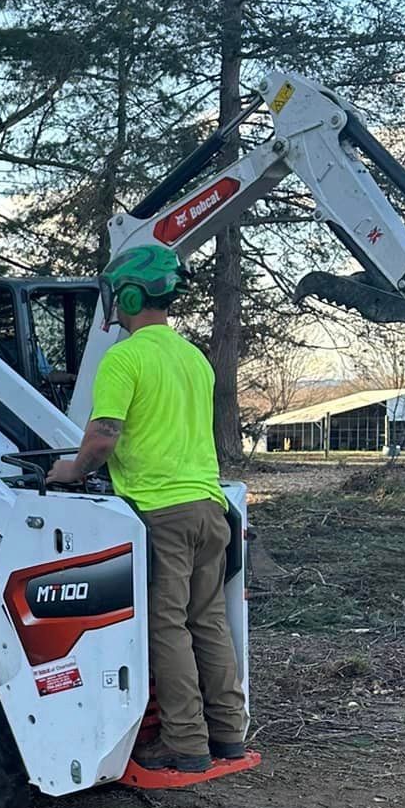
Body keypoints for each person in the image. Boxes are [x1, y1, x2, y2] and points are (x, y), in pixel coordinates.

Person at [47, 246, 249, 773]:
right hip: (211, 509)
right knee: (208, 621)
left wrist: (69, 471)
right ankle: (228, 732)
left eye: (117, 295)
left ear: (130, 295)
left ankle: (185, 744)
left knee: (166, 626)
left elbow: (103, 438)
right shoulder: (194, 358)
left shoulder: (125, 357)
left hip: (162, 513)